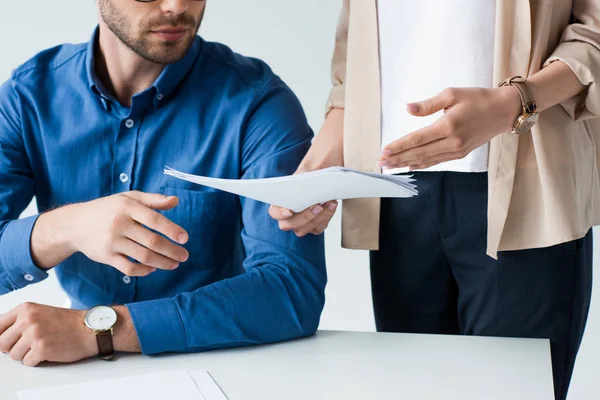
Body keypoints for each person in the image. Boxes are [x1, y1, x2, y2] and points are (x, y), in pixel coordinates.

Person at [270, 1, 600, 399]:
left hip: (527, 190)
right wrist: (318, 166)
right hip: (397, 193)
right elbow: (358, 53)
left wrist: (515, 103)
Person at [0, 0, 326, 367]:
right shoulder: (27, 97)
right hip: (71, 370)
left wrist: (98, 330)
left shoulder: (258, 103)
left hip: (220, 364)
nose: (177, 5)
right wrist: (67, 228)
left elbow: (291, 288)